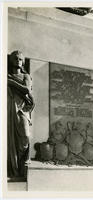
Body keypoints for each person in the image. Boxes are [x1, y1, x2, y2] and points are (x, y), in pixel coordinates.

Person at [7, 50, 34, 178]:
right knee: (10, 138)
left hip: (22, 110)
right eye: (16, 58)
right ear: (11, 60)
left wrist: (11, 82)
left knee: (26, 137)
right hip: (10, 109)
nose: (18, 61)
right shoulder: (6, 75)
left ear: (23, 61)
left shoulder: (25, 76)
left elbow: (27, 89)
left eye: (20, 59)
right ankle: (14, 167)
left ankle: (23, 161)